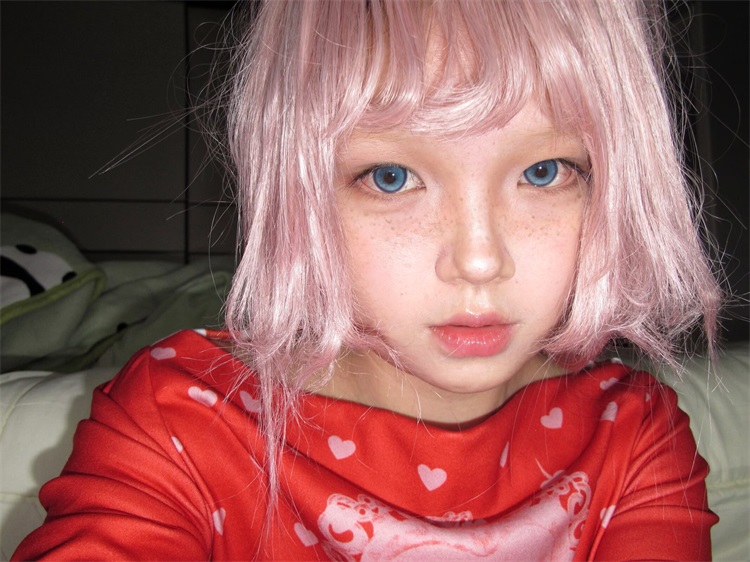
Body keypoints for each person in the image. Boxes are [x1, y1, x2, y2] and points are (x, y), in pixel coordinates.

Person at [14, 0, 722, 560]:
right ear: (300, 193)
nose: (480, 260)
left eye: (545, 172)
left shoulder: (634, 437)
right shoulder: (178, 424)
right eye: (391, 178)